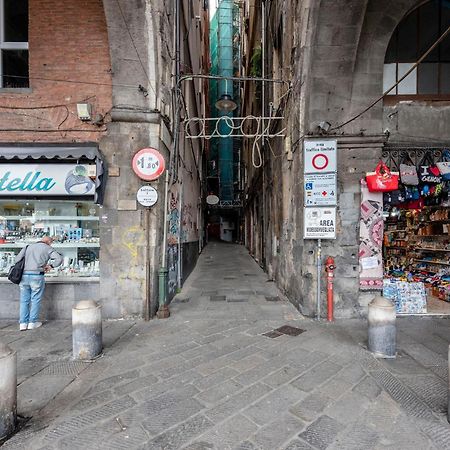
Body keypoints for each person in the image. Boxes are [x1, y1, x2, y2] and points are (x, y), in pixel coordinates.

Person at [15, 236, 63, 331]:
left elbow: (17, 260)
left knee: (24, 300)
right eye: (51, 242)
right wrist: (51, 266)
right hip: (37, 275)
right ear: (48, 242)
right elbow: (59, 259)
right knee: (35, 299)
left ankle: (23, 323)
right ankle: (32, 322)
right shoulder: (47, 248)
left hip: (24, 276)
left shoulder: (28, 247)